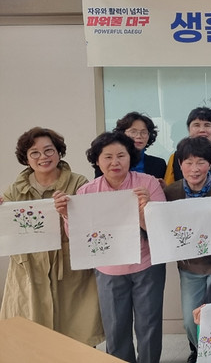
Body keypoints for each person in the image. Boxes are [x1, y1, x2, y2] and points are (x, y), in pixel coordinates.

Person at [54, 131, 166, 363]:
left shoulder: (148, 183)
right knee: (115, 328)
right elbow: (79, 237)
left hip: (147, 264)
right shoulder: (87, 191)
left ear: (130, 157)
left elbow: (160, 231)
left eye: (121, 155)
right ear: (97, 160)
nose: (115, 162)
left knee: (149, 325)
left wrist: (145, 210)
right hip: (108, 269)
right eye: (108, 157)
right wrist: (66, 215)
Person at [0, 127, 103, 346]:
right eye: (34, 153)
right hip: (28, 268)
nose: (43, 157)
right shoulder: (15, 189)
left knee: (76, 334)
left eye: (49, 150)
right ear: (26, 158)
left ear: (59, 152)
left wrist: (68, 211)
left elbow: (93, 225)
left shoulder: (78, 183)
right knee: (31, 338)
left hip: (69, 267)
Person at [163, 137, 211, 363]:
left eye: (201, 162)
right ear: (180, 164)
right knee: (191, 319)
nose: (194, 168)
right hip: (189, 267)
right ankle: (202, 352)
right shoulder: (171, 192)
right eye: (188, 162)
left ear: (210, 164)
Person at [164, 106, 211, 185]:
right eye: (196, 125)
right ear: (189, 129)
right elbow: (168, 189)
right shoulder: (176, 157)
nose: (202, 130)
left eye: (207, 125)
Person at [96, 112, 167, 181]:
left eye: (144, 132)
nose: (139, 136)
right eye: (133, 132)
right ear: (122, 134)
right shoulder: (108, 163)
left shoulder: (159, 164)